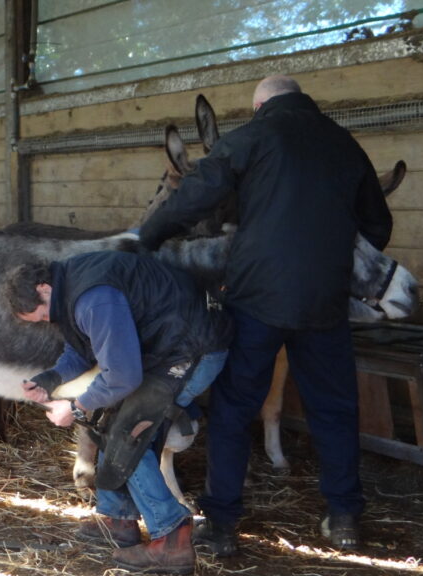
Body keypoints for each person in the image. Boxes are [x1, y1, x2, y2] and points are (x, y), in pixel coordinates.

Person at [138, 75, 393, 555]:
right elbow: (378, 222)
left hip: (257, 298)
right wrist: (332, 261)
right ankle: (343, 518)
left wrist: (146, 239)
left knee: (234, 409)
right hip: (325, 302)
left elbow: (196, 194)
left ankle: (222, 524)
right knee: (335, 409)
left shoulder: (251, 137)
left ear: (260, 105)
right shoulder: (344, 143)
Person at [5, 249, 232, 575]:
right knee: (111, 418)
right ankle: (118, 519)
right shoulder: (70, 285)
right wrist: (49, 380)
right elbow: (81, 347)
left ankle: (172, 537)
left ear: (43, 289)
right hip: (165, 348)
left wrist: (76, 406)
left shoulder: (93, 298)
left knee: (130, 431)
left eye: (41, 315)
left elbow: (123, 376)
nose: (47, 321)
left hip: (192, 348)